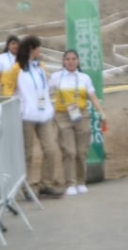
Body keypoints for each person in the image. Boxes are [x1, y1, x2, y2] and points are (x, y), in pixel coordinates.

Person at [49, 49, 106, 196]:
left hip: (81, 115)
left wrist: (101, 111)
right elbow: (44, 92)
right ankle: (70, 183)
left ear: (78, 61)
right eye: (67, 59)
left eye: (74, 59)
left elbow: (92, 96)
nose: (71, 61)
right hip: (62, 116)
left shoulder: (84, 78)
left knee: (81, 151)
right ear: (63, 61)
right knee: (69, 151)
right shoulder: (56, 77)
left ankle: (81, 181)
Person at [13, 35, 62, 199]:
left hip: (44, 114)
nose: (40, 51)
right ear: (31, 49)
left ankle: (46, 184)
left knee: (50, 149)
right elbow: (9, 90)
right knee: (27, 153)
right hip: (26, 115)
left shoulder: (40, 68)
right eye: (38, 48)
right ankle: (25, 187)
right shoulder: (17, 69)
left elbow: (45, 87)